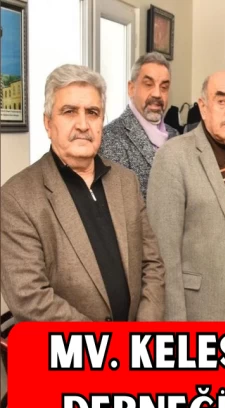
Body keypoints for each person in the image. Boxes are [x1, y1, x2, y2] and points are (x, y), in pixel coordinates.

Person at [1, 64, 164, 328]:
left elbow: (152, 264)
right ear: (48, 123)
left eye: (92, 112)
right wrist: (106, 346)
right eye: (69, 112)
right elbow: (29, 298)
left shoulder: (126, 182)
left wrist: (142, 334)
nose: (83, 124)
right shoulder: (16, 198)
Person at [147, 71, 225, 326]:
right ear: (203, 107)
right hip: (202, 314)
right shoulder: (173, 156)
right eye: (221, 101)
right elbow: (164, 257)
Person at [101, 52, 178, 199]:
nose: (157, 94)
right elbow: (118, 205)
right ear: (131, 88)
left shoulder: (175, 135)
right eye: (148, 85)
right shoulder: (110, 138)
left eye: (164, 87)